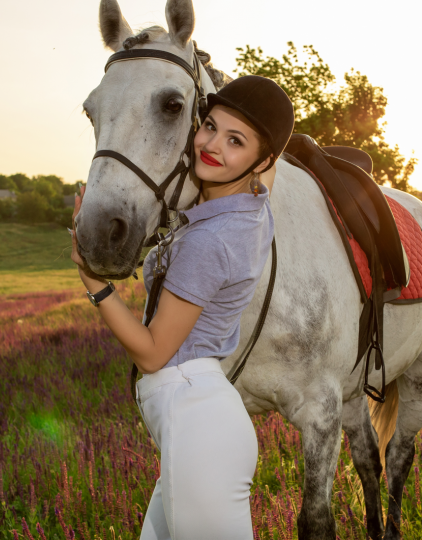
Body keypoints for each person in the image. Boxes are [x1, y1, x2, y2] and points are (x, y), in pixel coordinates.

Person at [70, 75, 294, 540]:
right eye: (209, 126)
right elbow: (252, 154)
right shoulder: (249, 204)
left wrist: (95, 283)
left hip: (197, 421)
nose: (212, 145)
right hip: (197, 425)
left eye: (236, 141)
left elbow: (153, 354)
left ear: (263, 160)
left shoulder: (211, 240)